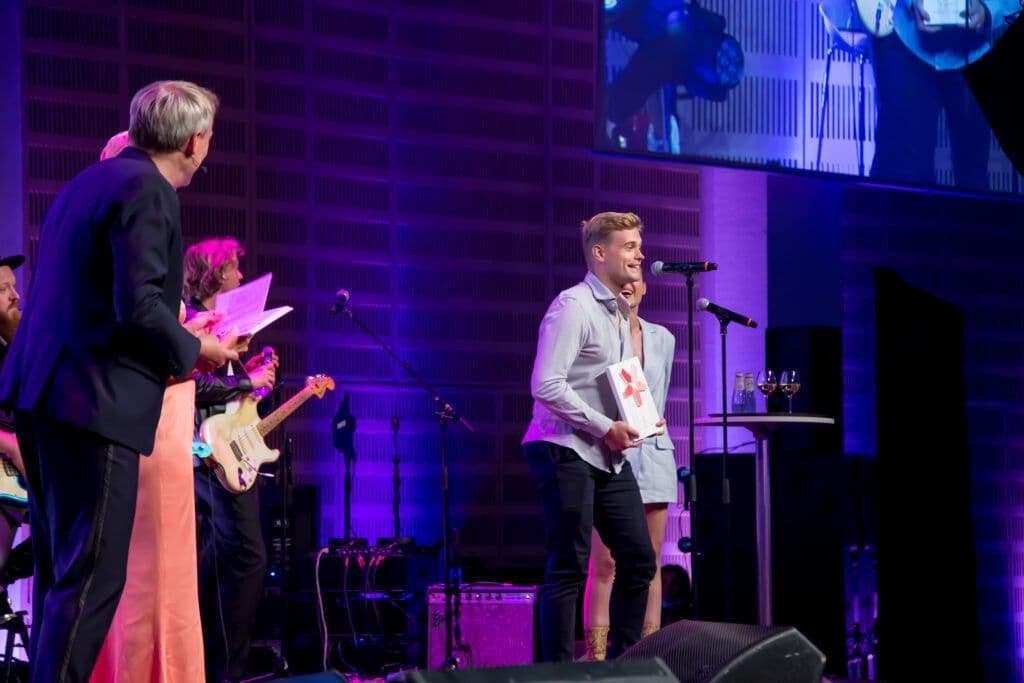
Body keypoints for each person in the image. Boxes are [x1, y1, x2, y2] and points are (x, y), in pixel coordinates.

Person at [0, 80, 238, 683]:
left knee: (62, 577)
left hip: (42, 395)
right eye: (209, 138)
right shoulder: (149, 189)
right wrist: (199, 350)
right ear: (193, 141)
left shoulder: (87, 182)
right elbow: (139, 308)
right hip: (93, 402)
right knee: (93, 579)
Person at [89, 131, 208, 683]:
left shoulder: (131, 240)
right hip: (144, 424)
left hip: (167, 421)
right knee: (143, 570)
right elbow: (139, 327)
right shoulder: (132, 226)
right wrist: (202, 347)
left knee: (161, 567)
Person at [522, 211, 660, 662]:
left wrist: (641, 419)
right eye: (630, 246)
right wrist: (606, 426)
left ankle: (622, 667)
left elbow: (615, 380)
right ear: (599, 253)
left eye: (639, 246)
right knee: (569, 565)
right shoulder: (573, 306)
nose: (640, 255)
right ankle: (559, 672)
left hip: (604, 454)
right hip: (563, 447)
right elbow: (546, 385)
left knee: (639, 559)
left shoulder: (618, 311)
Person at [184, 237, 277, 683]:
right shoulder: (188, 321)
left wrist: (251, 373)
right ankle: (225, 669)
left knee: (223, 556)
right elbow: (193, 388)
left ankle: (213, 665)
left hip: (222, 453)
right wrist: (246, 383)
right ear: (217, 274)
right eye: (235, 269)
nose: (241, 276)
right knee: (246, 556)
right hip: (204, 456)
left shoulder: (224, 327)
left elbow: (224, 395)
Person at [582, 276, 676, 660]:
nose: (629, 285)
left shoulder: (663, 338)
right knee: (606, 563)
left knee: (649, 563)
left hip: (653, 454)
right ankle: (597, 661)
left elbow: (659, 393)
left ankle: (645, 657)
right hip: (609, 453)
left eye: (636, 280)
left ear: (645, 288)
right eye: (622, 280)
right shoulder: (598, 333)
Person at [870, 0, 1016, 191]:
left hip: (973, 49)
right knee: (903, 175)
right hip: (906, 43)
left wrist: (990, 8)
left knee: (973, 178)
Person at [0, 254, 31, 588]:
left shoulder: (18, 345)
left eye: (14, 286)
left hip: (26, 475)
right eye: (3, 289)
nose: (15, 295)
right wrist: (10, 445)